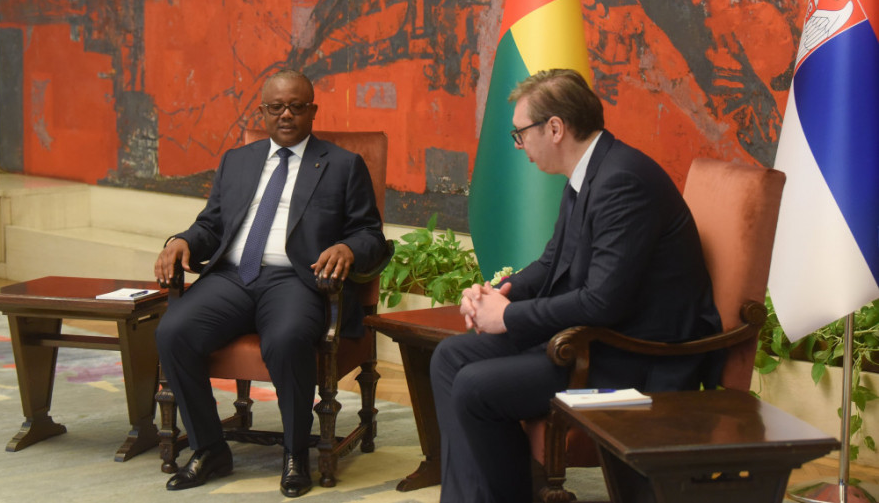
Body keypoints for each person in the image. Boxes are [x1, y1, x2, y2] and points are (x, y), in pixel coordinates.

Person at [430, 68, 723, 503]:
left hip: (636, 357)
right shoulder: (589, 173)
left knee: (475, 385)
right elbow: (553, 262)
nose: (518, 146)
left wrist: (508, 317)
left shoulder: (622, 181)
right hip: (593, 341)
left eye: (520, 134)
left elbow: (602, 302)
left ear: (554, 128)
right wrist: (498, 293)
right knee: (449, 358)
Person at [154, 69, 386, 497]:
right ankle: (210, 448)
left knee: (287, 338)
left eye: (296, 107)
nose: (286, 115)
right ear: (262, 112)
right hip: (233, 277)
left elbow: (370, 234)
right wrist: (182, 241)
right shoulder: (237, 160)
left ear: (313, 111)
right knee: (173, 331)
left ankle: (296, 452)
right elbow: (211, 225)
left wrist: (347, 248)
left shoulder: (342, 165)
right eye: (276, 107)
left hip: (295, 279)